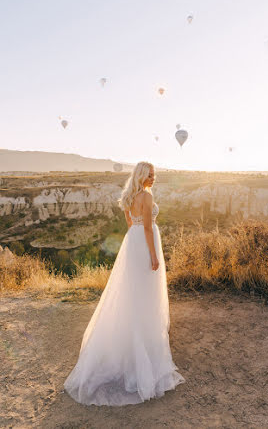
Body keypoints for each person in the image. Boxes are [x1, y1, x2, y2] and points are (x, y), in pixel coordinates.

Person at [63, 161, 186, 406]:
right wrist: (153, 255)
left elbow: (133, 226)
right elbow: (149, 229)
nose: (153, 178)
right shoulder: (147, 197)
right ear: (141, 175)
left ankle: (130, 347)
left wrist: (138, 243)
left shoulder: (128, 197)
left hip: (132, 244)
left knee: (132, 295)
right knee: (146, 297)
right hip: (145, 246)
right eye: (149, 175)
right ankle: (144, 352)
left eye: (154, 174)